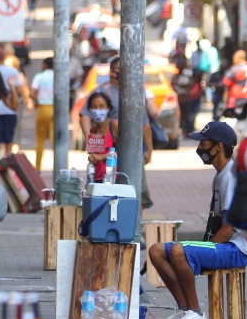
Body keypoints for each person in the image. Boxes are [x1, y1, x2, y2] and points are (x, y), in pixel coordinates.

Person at [148, 122, 247, 319]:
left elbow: (227, 230)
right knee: (156, 251)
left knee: (179, 251)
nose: (199, 149)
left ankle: (196, 314)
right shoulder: (220, 176)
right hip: (226, 245)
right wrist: (200, 249)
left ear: (218, 147)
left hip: (237, 249)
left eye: (203, 143)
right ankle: (184, 308)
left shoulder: (229, 178)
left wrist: (198, 251)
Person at [80, 56, 154, 208]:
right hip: (107, 154)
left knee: (135, 191)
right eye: (122, 70)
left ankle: (135, 225)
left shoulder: (136, 92)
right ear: (112, 72)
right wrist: (92, 140)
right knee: (105, 194)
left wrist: (149, 149)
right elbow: (85, 116)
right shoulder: (101, 91)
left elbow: (144, 123)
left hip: (133, 151)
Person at [0, 47, 25, 157]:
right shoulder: (12, 71)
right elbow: (20, 91)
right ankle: (7, 159)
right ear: (4, 57)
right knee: (9, 138)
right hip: (10, 109)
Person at [86, 91, 118, 182]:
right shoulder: (93, 130)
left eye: (101, 106)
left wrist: (102, 157)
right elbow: (93, 152)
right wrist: (91, 157)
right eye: (94, 107)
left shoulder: (114, 125)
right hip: (95, 176)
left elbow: (125, 151)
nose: (98, 110)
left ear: (108, 108)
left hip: (111, 177)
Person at [30, 57, 55, 171]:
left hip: (43, 108)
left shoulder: (39, 76)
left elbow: (31, 93)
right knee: (55, 140)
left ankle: (38, 167)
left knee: (40, 140)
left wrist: (35, 101)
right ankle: (58, 166)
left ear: (44, 65)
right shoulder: (60, 76)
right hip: (56, 110)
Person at [172, 58, 203, 136]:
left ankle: (187, 130)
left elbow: (191, 84)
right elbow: (174, 85)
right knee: (180, 117)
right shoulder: (176, 77)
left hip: (187, 100)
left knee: (188, 116)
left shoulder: (187, 76)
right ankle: (181, 130)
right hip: (179, 100)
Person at [222, 50, 247, 114]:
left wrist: (225, 99)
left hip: (237, 98)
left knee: (237, 118)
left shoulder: (235, 68)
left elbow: (226, 83)